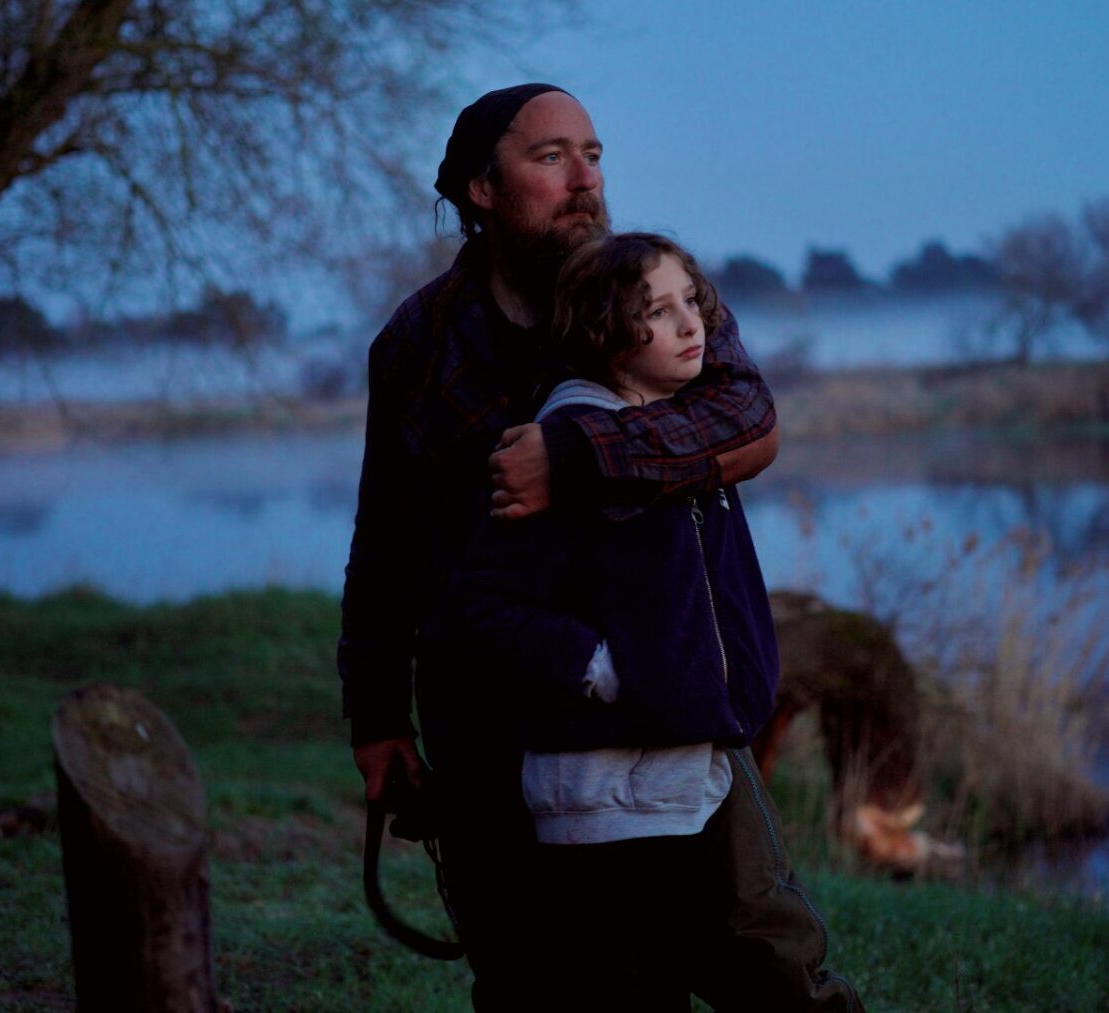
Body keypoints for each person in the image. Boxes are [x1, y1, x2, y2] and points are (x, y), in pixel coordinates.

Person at [336, 84, 825, 1010]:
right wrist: (376, 715)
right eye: (552, 157)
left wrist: (576, 452)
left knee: (769, 966)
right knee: (539, 981)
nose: (586, 179)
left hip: (668, 706)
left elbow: (748, 421)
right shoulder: (415, 341)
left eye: (594, 154)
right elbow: (385, 537)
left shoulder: (647, 287)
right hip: (487, 715)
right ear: (481, 188)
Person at [432, 232, 860, 1011]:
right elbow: (480, 607)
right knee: (638, 983)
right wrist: (603, 666)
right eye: (656, 312)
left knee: (776, 952)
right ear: (604, 333)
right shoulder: (555, 450)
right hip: (609, 791)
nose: (690, 325)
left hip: (695, 753)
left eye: (690, 302)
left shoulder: (682, 428)